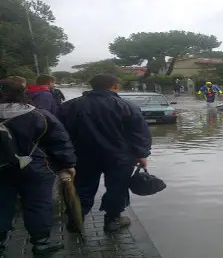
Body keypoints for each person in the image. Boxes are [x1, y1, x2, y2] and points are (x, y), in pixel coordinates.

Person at [57, 74, 152, 233]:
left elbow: (60, 134)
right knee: (117, 188)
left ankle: (76, 220)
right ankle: (113, 220)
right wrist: (142, 154)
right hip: (119, 158)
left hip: (83, 156)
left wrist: (63, 158)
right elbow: (139, 133)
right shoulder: (127, 106)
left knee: (82, 187)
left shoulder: (70, 106)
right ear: (114, 86)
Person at [0, 79, 76, 256]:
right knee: (38, 204)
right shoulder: (38, 115)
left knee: (1, 205)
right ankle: (41, 243)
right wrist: (68, 165)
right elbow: (60, 142)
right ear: (23, 92)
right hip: (36, 168)